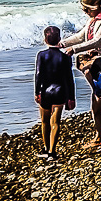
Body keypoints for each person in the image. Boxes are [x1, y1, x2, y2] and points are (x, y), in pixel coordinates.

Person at [33, 26, 75, 160]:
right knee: (55, 122)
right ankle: (52, 150)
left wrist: (37, 92)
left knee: (44, 121)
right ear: (60, 39)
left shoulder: (41, 55)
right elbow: (69, 78)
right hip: (60, 91)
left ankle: (46, 148)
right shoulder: (65, 57)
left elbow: (38, 75)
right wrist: (71, 97)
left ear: (45, 39)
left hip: (45, 91)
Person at [60, 0, 101, 67]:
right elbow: (80, 37)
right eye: (84, 10)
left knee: (85, 67)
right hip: (94, 57)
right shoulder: (92, 20)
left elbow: (97, 41)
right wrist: (62, 43)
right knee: (80, 62)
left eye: (87, 10)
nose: (85, 13)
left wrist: (74, 49)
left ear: (94, 8)